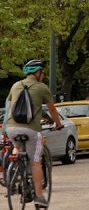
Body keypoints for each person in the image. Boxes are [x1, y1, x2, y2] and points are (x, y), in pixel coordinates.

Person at [5, 59, 62, 208]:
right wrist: (58, 123)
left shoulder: (15, 85)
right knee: (35, 161)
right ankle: (39, 195)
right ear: (37, 73)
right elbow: (52, 110)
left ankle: (15, 167)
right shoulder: (42, 88)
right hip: (31, 129)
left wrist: (5, 127)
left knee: (17, 146)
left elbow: (9, 107)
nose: (43, 75)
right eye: (42, 72)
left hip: (11, 128)